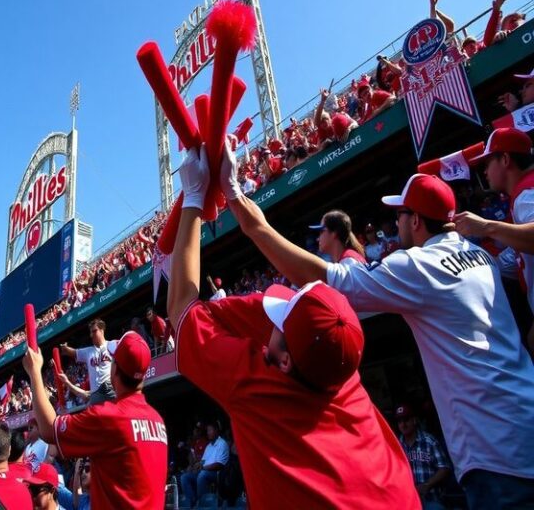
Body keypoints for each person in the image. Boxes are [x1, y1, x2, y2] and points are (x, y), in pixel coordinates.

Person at [218, 162, 534, 509]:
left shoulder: (418, 265)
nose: (396, 222)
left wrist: (250, 218)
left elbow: (325, 278)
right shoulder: (481, 256)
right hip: (524, 412)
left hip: (496, 452)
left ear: (415, 221)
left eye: (399, 214)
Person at [167, 143, 419, 509]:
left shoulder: (257, 387)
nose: (276, 318)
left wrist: (192, 197)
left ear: (284, 361)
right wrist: (234, 192)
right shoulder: (341, 365)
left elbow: (181, 310)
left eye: (282, 322)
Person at [23, 331, 168, 509]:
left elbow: (49, 429)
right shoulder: (157, 419)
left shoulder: (109, 417)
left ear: (114, 369)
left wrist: (34, 372)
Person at [455, 127, 534, 355]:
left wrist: (487, 227)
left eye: (488, 163)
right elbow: (513, 261)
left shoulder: (527, 193)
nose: (485, 172)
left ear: (506, 159)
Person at [395, 405, 451, 510]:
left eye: (406, 420)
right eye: (399, 421)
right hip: (407, 500)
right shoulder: (396, 445)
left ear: (414, 420)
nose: (403, 424)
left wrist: (427, 485)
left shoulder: (429, 441)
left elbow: (444, 468)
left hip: (430, 497)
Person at [59, 320, 115, 405]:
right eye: (91, 332)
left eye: (94, 331)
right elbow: (72, 352)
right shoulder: (88, 351)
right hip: (96, 392)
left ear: (102, 330)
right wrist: (65, 347)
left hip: (111, 387)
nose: (91, 335)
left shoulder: (112, 345)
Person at [179, 422, 228, 508]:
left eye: (210, 430)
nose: (208, 432)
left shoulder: (222, 443)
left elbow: (220, 464)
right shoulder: (209, 446)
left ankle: (202, 504)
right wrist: (196, 466)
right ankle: (192, 502)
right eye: (207, 430)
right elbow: (203, 461)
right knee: (185, 477)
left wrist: (203, 468)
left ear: (216, 431)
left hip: (217, 474)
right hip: (204, 471)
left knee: (202, 475)